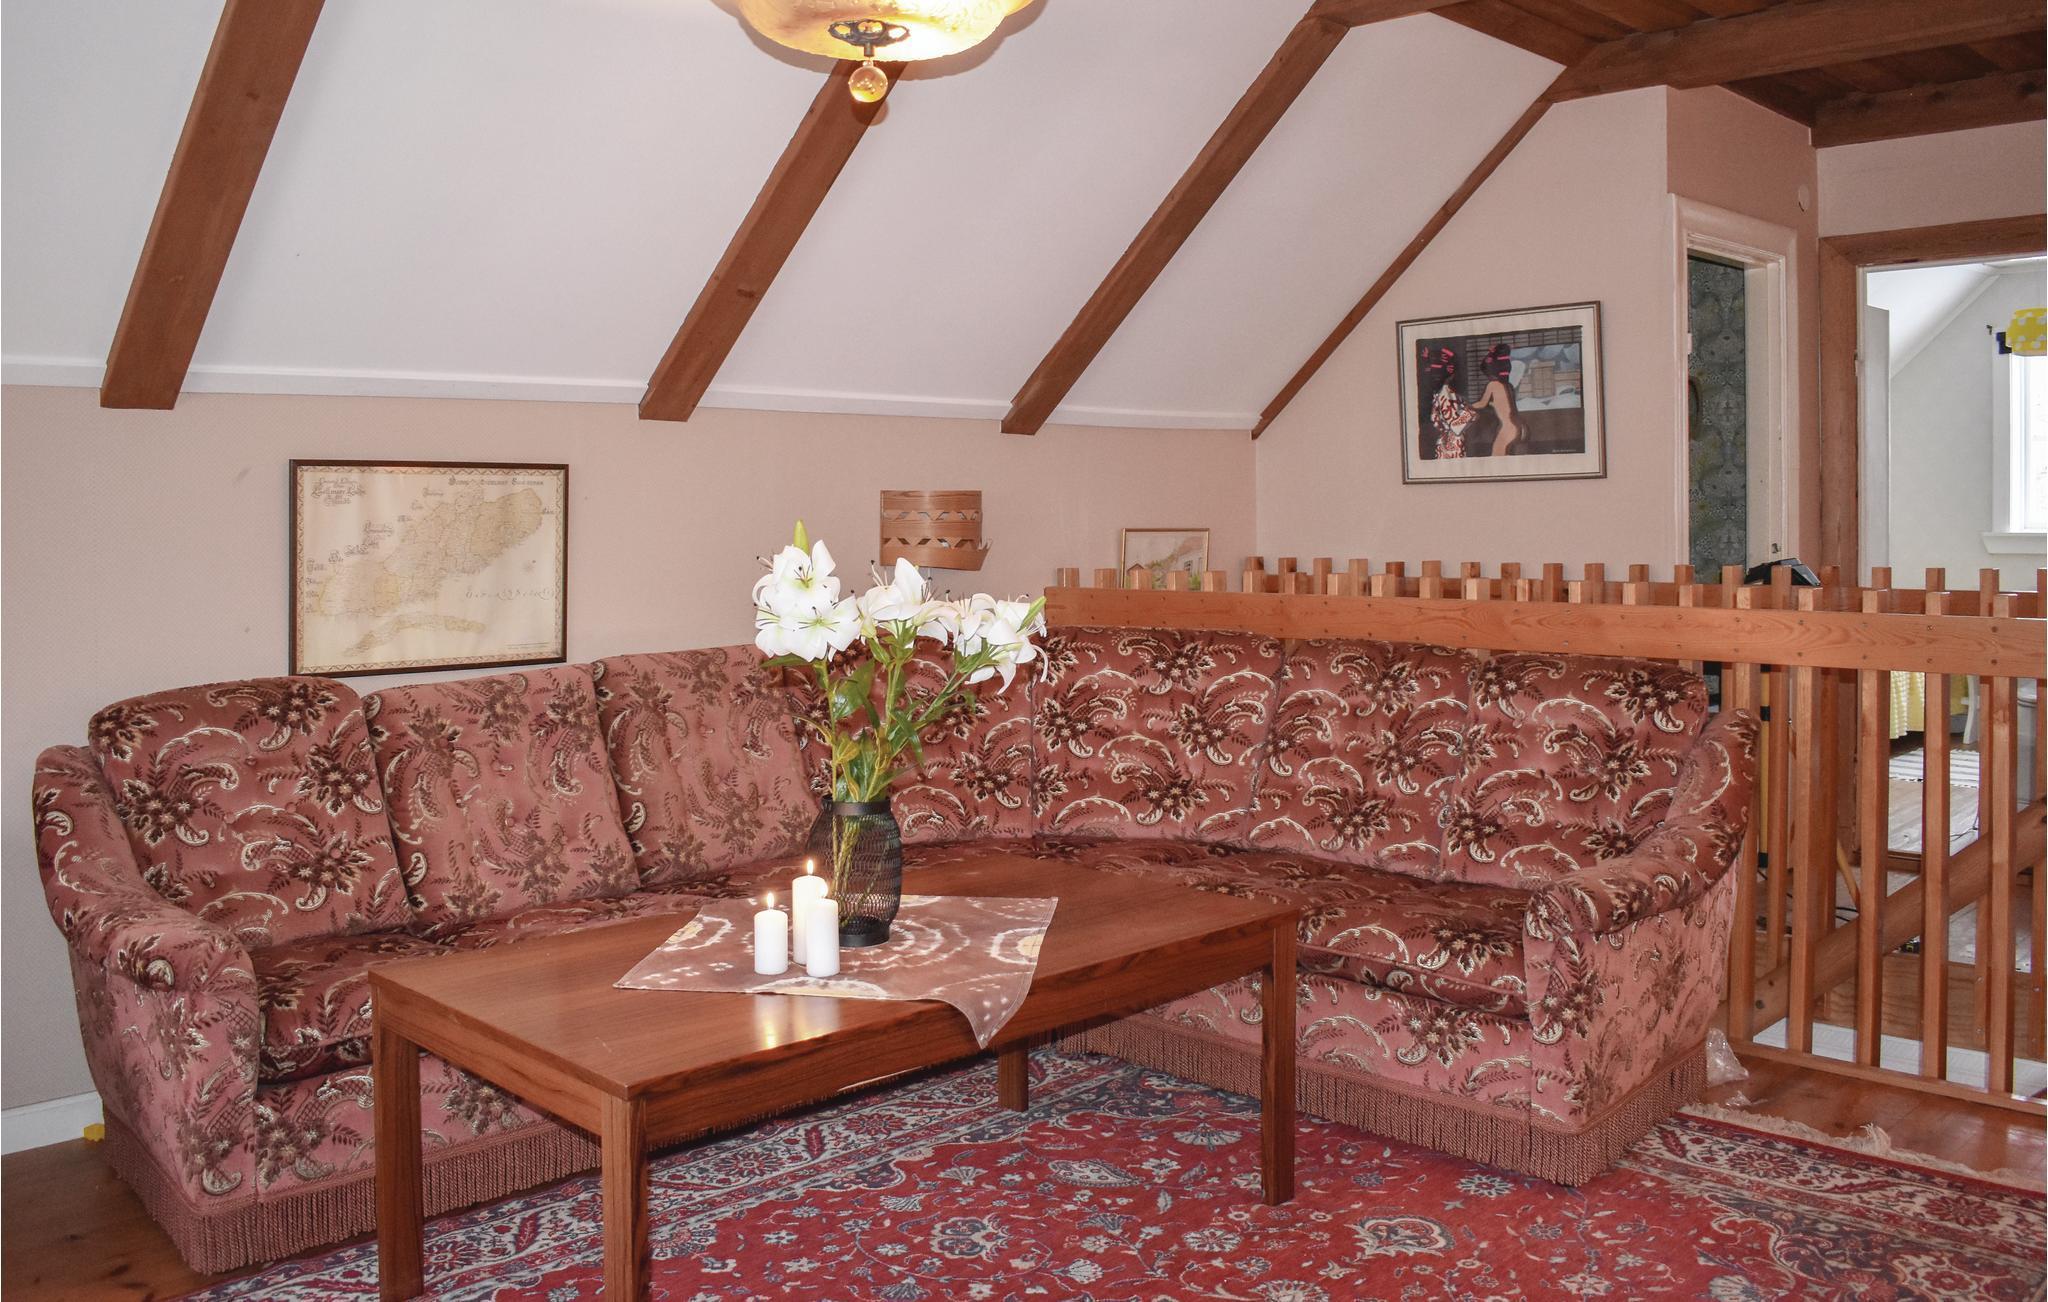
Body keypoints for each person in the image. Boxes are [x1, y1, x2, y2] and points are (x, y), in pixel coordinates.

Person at [1468, 342, 1525, 457]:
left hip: (1508, 428)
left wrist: (1467, 406)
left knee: (1497, 457)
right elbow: (1506, 405)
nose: (1488, 377)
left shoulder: (1493, 385)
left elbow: (1482, 403)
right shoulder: (1509, 386)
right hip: (1520, 426)